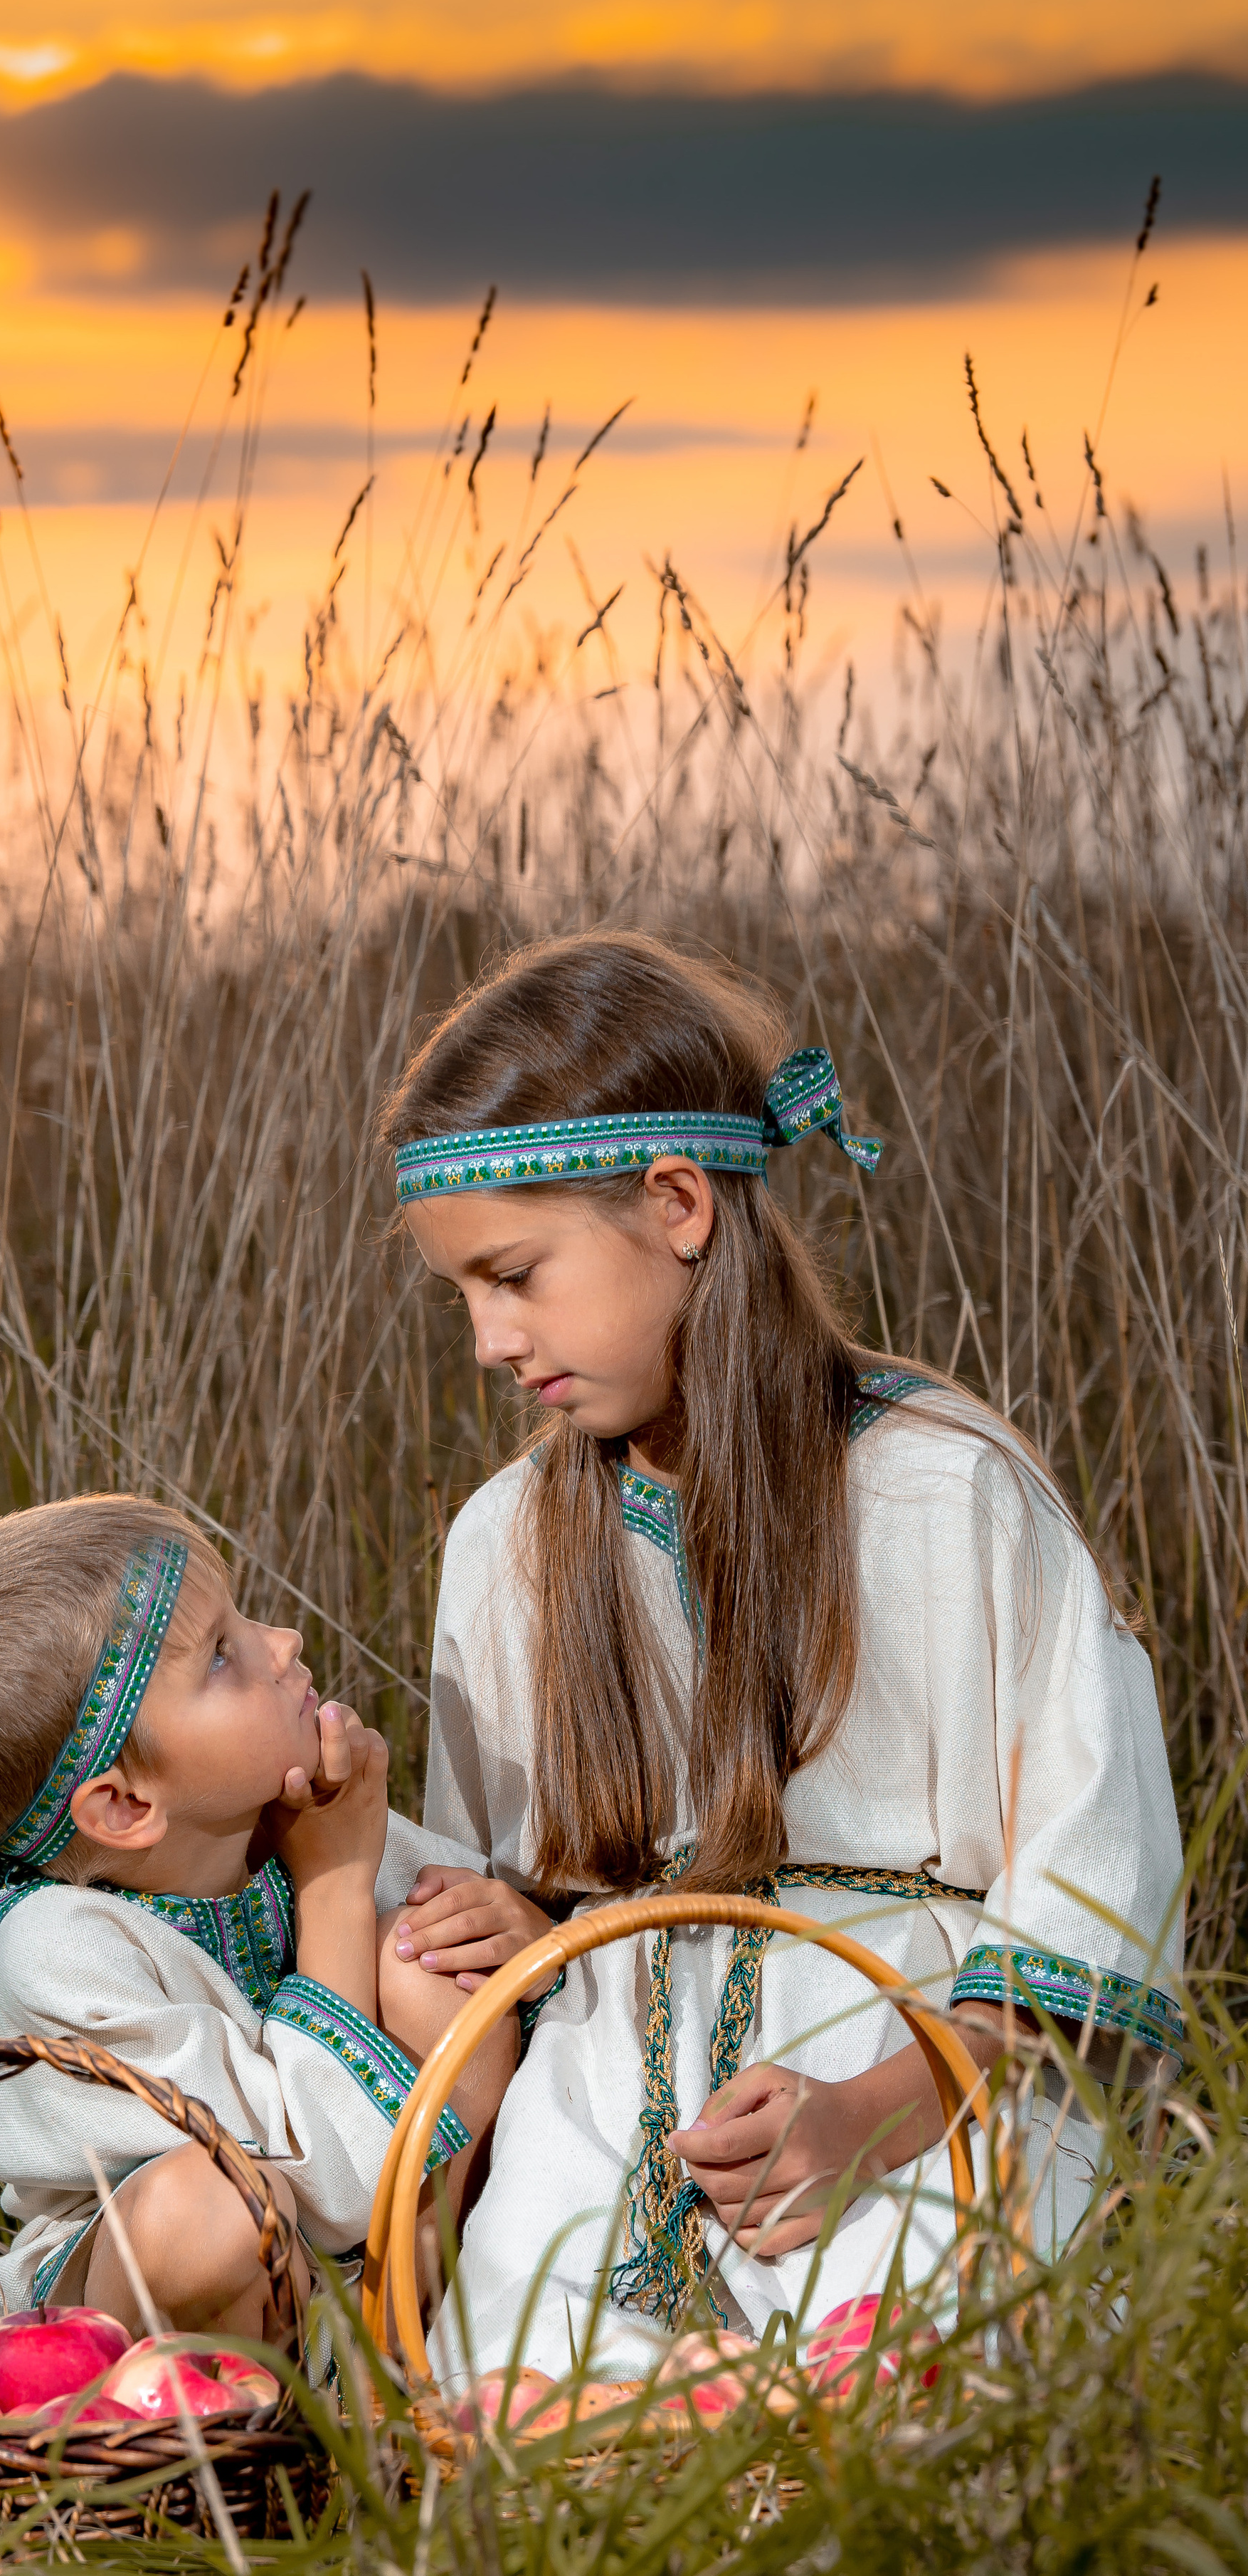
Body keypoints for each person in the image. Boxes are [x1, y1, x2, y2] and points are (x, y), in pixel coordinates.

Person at [380, 931, 1187, 2380]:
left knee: (919, 2386)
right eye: (462, 1293)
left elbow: (1086, 1893)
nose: (490, 1340)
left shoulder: (947, 1494)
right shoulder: (504, 1548)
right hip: (611, 2078)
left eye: (514, 1274)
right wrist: (522, 1920)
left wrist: (861, 2116)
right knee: (519, 2408)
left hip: (924, 2083)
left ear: (676, 1203)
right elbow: (527, 1896)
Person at [0, 1493, 537, 2351]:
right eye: (223, 1655)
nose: (283, 1643)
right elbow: (305, 2177)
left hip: (365, 2283)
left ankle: (418, 2350)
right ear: (125, 1804)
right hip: (173, 2318)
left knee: (433, 1952)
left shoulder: (292, 1819)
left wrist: (518, 1935)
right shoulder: (59, 1950)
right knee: (204, 2206)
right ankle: (166, 2446)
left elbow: (498, 1952)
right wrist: (333, 1883)